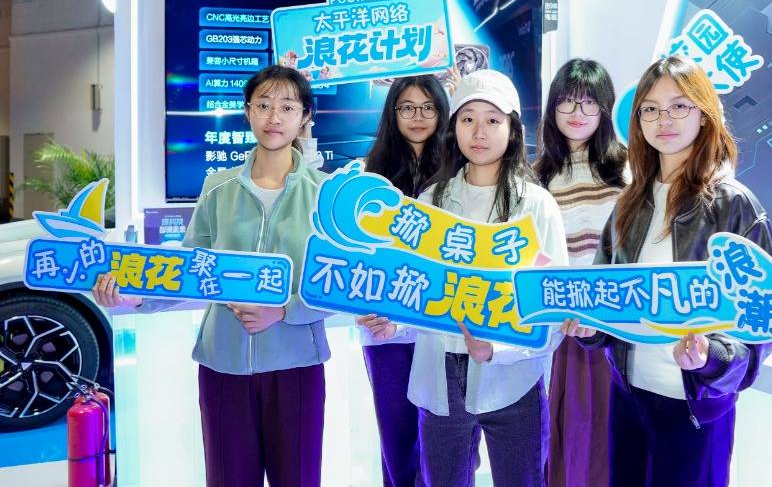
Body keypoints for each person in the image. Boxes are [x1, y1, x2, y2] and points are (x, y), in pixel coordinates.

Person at [93, 65, 330, 487]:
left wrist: (283, 311)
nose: (274, 117)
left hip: (296, 364)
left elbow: (334, 284)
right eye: (263, 105)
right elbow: (189, 267)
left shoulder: (325, 194)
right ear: (248, 111)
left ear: (305, 116)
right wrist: (136, 298)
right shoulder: (218, 188)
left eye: (287, 107)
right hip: (223, 365)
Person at [562, 55, 772, 487]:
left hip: (695, 408)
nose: (664, 119)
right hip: (629, 398)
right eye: (651, 108)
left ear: (705, 114)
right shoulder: (629, 203)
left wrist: (711, 357)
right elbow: (609, 295)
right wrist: (590, 327)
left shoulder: (733, 205)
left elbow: (765, 321)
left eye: (679, 106)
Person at [361, 69, 568, 487]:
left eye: (493, 120)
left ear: (513, 130)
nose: (479, 132)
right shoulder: (430, 201)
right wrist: (393, 322)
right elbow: (416, 291)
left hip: (514, 380)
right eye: (468, 119)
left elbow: (553, 307)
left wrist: (499, 348)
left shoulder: (536, 205)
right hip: (439, 377)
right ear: (453, 127)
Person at [534, 59, 627, 487]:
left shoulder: (628, 170)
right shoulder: (537, 176)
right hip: (561, 327)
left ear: (605, 109)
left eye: (589, 103)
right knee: (568, 435)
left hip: (617, 323)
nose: (577, 112)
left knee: (613, 434)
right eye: (567, 102)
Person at [359, 75, 449, 487]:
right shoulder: (369, 174)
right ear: (392, 113)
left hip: (442, 327)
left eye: (428, 107)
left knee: (446, 442)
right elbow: (355, 255)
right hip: (384, 328)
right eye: (407, 107)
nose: (418, 116)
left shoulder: (458, 173)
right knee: (397, 441)